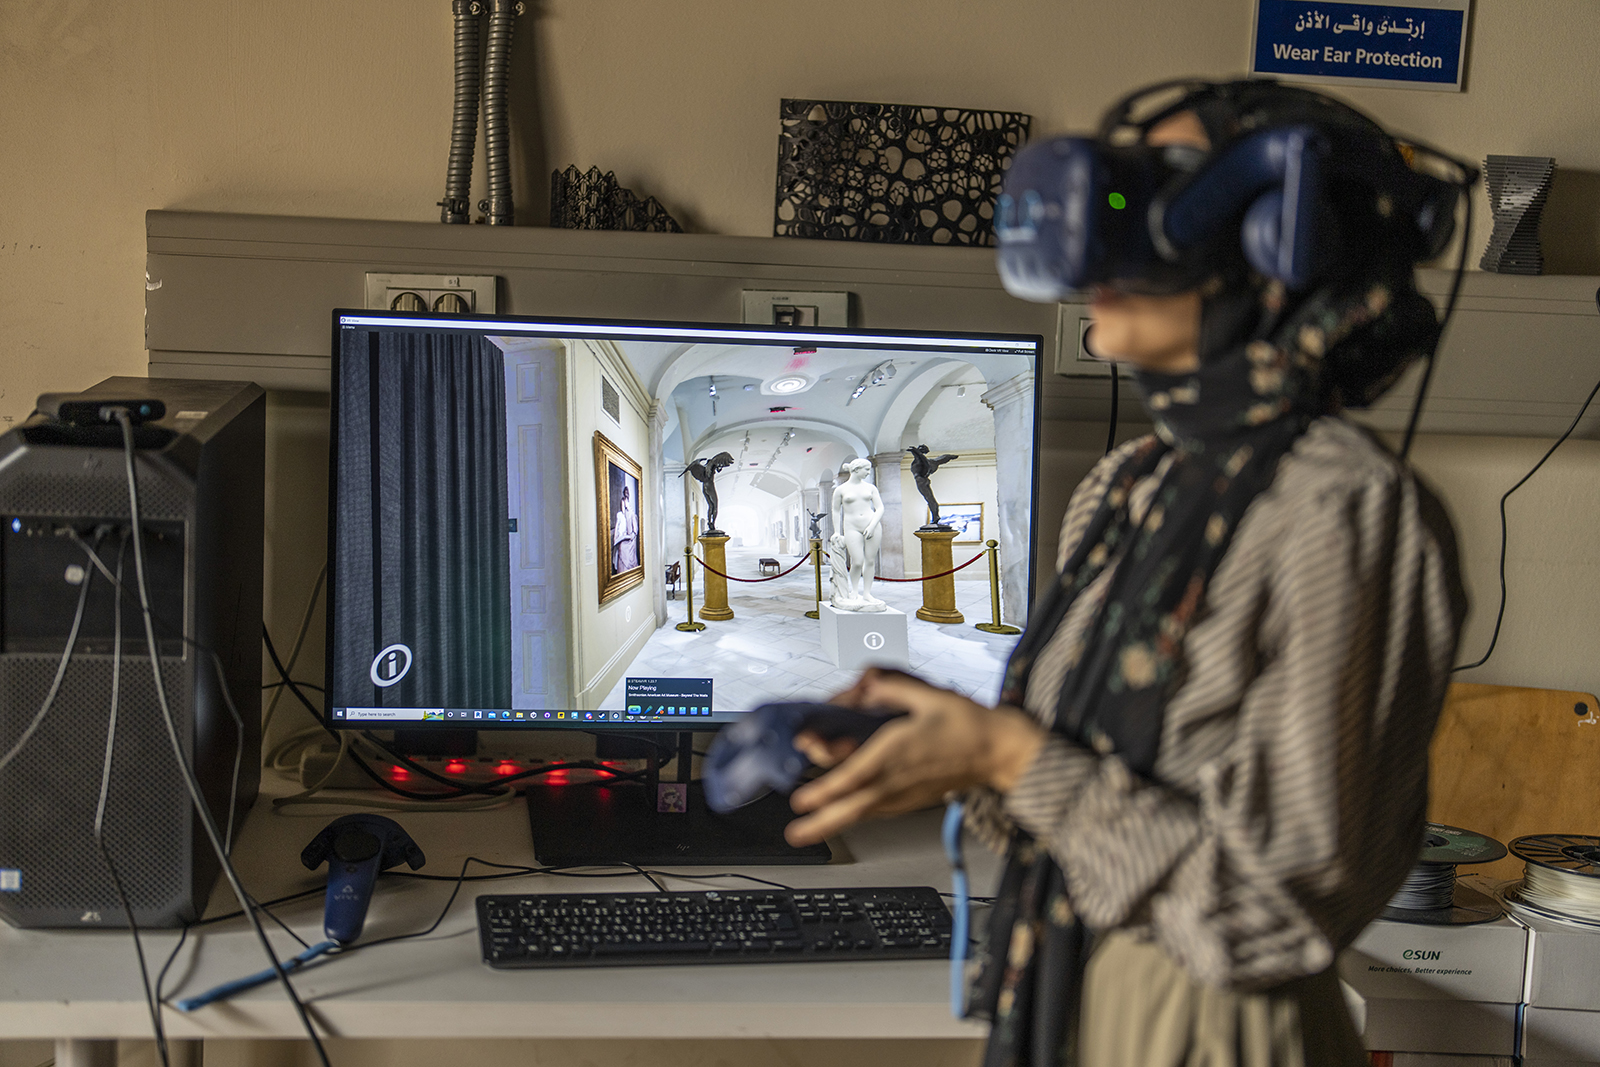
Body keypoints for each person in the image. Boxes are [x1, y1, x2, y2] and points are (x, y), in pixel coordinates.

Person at [786, 79, 1468, 1067]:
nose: (1112, 242)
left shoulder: (1344, 509)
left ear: (1293, 240)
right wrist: (939, 741)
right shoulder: (1128, 482)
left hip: (1206, 1022)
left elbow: (1264, 918)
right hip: (1063, 982)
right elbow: (1077, 790)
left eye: (1169, 194)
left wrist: (1009, 756)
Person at [829, 457, 886, 610]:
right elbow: (835, 511)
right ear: (856, 469)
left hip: (871, 525)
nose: (868, 472)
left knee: (870, 560)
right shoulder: (840, 489)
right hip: (852, 527)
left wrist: (872, 525)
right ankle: (854, 590)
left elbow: (879, 508)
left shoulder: (871, 487)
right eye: (866, 469)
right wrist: (837, 532)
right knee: (857, 561)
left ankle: (867, 593)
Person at [611, 480, 639, 573]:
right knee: (621, 556)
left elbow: (635, 531)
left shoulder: (631, 514)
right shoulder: (620, 515)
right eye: (622, 504)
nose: (624, 505)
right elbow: (617, 528)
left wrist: (630, 536)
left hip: (629, 543)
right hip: (623, 542)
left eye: (625, 502)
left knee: (629, 560)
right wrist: (617, 537)